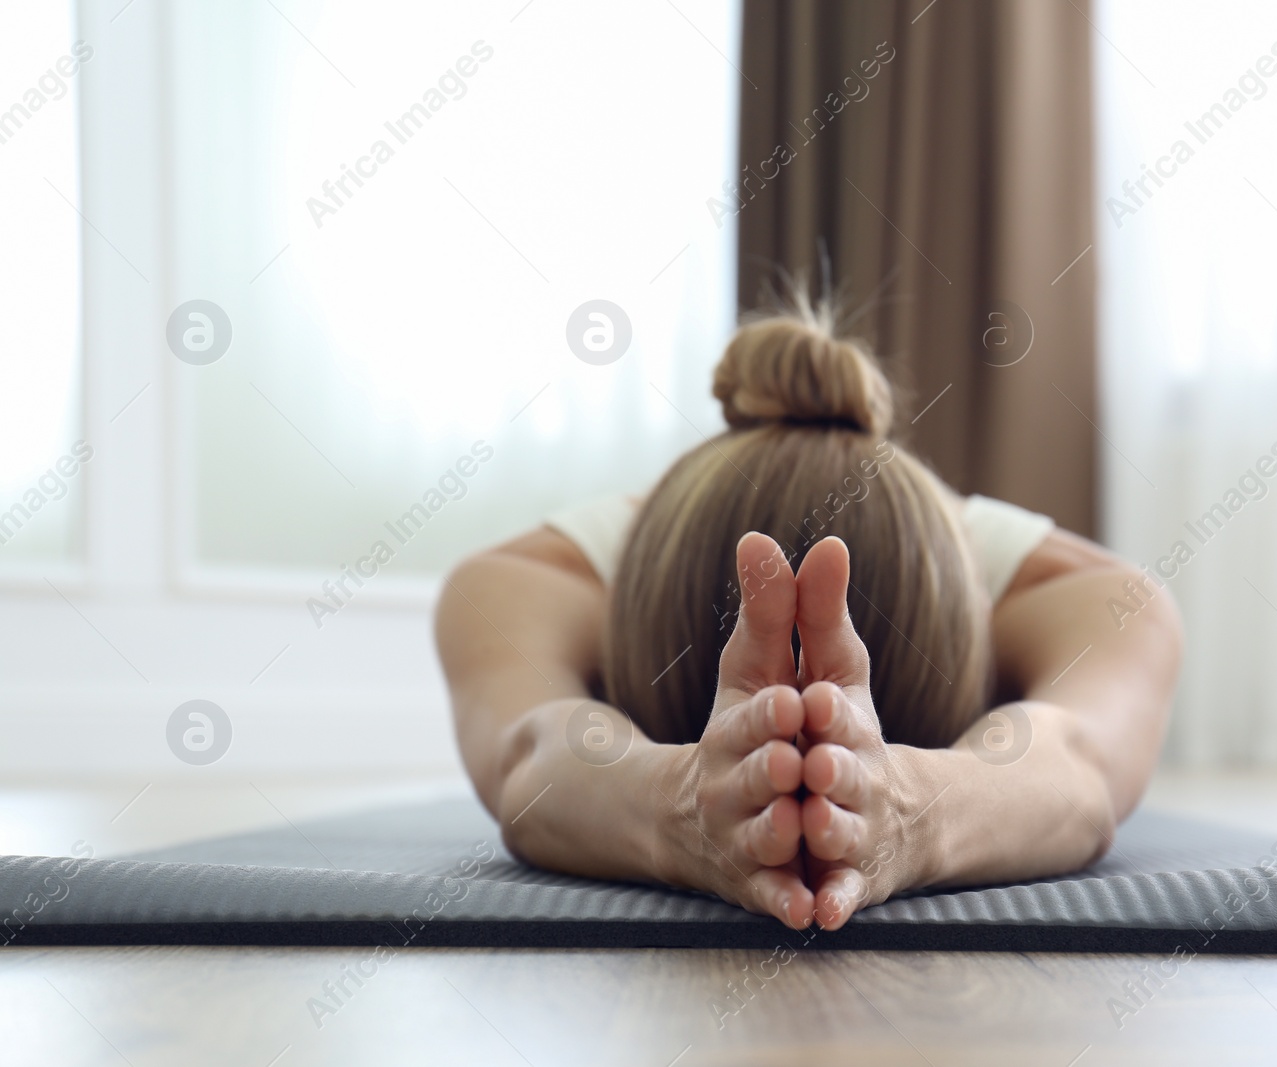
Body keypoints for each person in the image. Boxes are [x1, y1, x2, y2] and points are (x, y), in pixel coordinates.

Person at [435, 300, 1181, 930]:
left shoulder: (1083, 594)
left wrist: (912, 811)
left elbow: (1076, 764)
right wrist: (679, 804)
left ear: (979, 625)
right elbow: (529, 759)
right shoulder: (538, 580)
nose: (794, 816)